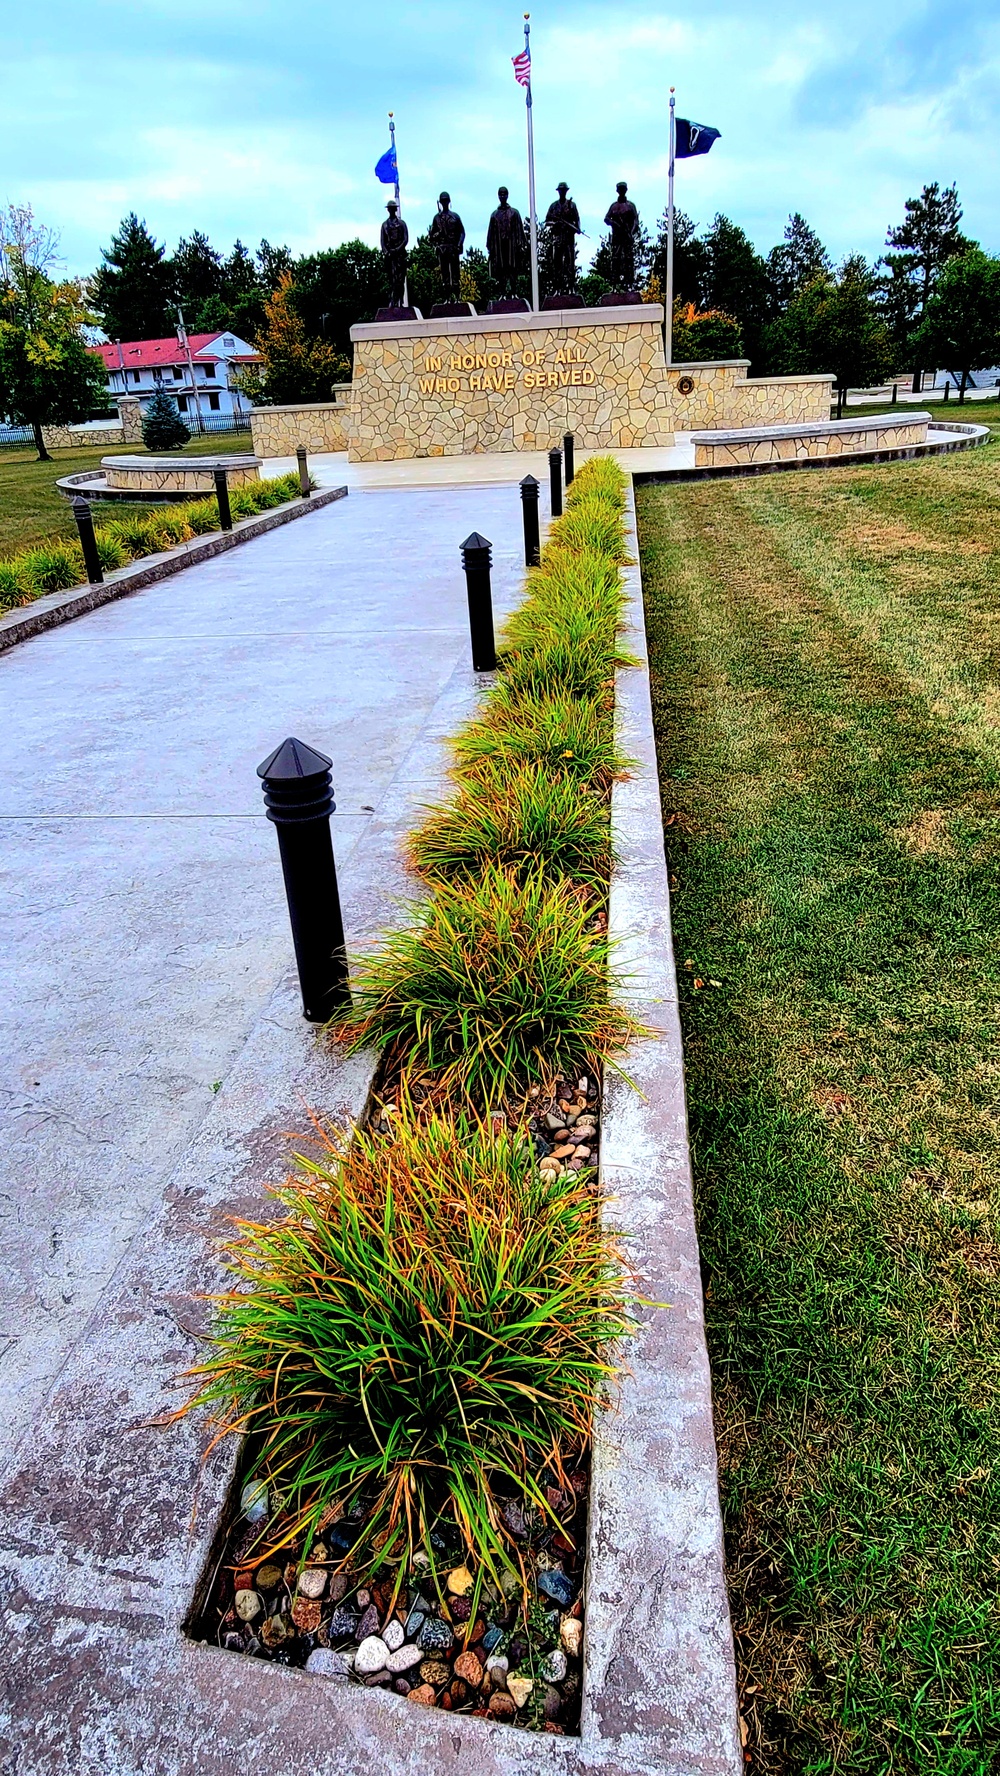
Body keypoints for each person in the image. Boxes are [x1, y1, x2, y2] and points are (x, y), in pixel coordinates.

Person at [486, 186, 526, 297]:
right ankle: (502, 293)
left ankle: (513, 292)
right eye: (500, 194)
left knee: (512, 268)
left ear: (507, 195)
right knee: (501, 269)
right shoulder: (494, 215)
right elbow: (491, 233)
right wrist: (491, 249)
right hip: (499, 246)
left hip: (511, 246)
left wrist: (521, 245)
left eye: (504, 194)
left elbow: (520, 230)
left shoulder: (514, 213)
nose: (502, 196)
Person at [543, 182, 581, 295]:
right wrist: (555, 223)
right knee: (557, 264)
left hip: (569, 239)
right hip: (558, 238)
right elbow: (547, 222)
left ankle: (571, 287)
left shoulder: (572, 205)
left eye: (564, 190)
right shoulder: (553, 206)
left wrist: (577, 228)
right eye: (561, 190)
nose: (562, 192)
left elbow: (577, 219)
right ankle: (557, 288)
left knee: (570, 264)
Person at [428, 192, 466, 302]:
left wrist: (459, 244)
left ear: (449, 202)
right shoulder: (436, 218)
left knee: (455, 274)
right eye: (442, 201)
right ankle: (447, 298)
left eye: (446, 201)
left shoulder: (455, 216)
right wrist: (437, 235)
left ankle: (458, 297)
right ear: (440, 203)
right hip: (442, 249)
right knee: (445, 275)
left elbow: (462, 232)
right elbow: (431, 236)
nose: (444, 203)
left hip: (453, 248)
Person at [604, 182, 640, 291]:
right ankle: (614, 285)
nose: (621, 191)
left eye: (623, 189)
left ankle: (629, 284)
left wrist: (631, 233)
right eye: (620, 189)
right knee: (615, 260)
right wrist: (613, 223)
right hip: (617, 238)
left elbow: (636, 222)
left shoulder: (630, 206)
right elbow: (606, 218)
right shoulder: (614, 206)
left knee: (628, 260)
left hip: (627, 237)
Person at [379, 200, 409, 308]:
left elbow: (405, 239)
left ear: (396, 209)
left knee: (400, 279)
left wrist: (397, 249)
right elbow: (382, 242)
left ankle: (400, 300)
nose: (391, 210)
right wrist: (387, 252)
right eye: (390, 208)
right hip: (389, 257)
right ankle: (392, 299)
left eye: (393, 208)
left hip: (400, 256)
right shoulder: (384, 225)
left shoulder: (402, 224)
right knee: (391, 280)